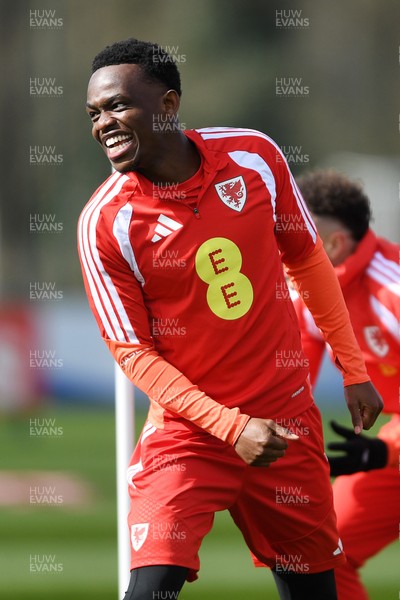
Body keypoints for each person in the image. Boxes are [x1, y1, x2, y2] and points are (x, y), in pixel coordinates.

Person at [78, 39, 383, 600]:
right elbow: (133, 354)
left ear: (169, 104)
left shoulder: (253, 155)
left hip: (287, 423)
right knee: (151, 590)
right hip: (187, 435)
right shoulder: (105, 223)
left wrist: (352, 365)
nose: (103, 124)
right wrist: (231, 427)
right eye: (94, 114)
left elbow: (307, 258)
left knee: (314, 592)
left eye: (117, 106)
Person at [293, 170, 400, 600]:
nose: (283, 243)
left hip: (392, 447)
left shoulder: (390, 289)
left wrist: (386, 451)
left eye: (297, 231)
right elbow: (288, 384)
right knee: (320, 551)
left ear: (334, 244)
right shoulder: (306, 292)